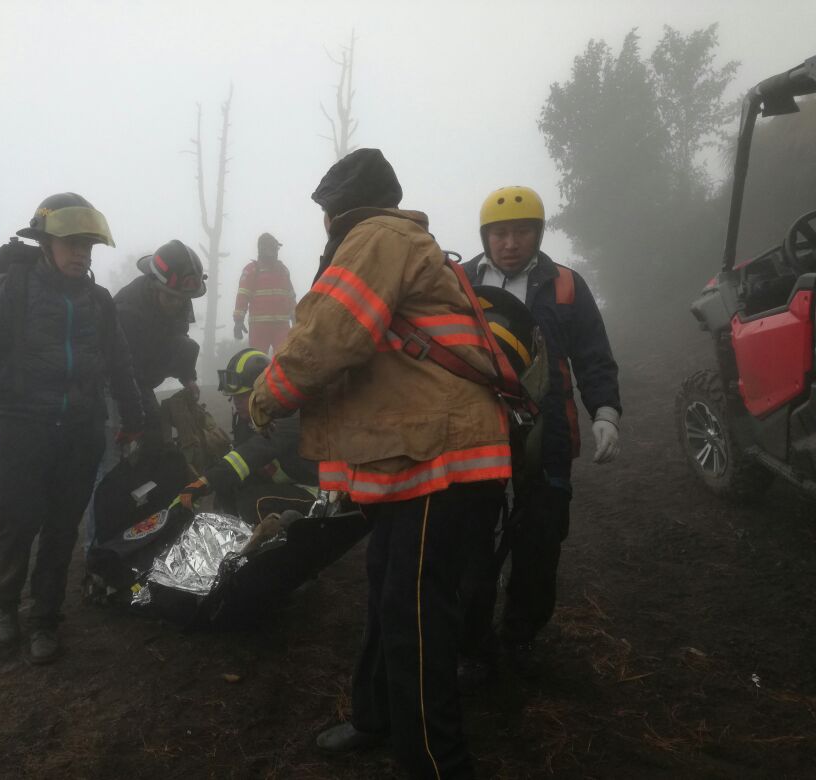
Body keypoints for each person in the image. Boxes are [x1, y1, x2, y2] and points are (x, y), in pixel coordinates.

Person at [247, 148, 509, 780]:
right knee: (388, 591)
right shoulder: (394, 236)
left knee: (416, 615)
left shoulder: (376, 237)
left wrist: (264, 397)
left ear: (339, 209)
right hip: (416, 459)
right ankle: (375, 716)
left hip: (441, 460)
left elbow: (332, 334)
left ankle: (437, 766)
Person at [0, 192, 145, 664]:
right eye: (71, 244)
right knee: (18, 523)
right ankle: (4, 604)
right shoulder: (12, 288)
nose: (81, 254)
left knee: (61, 529)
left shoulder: (98, 301)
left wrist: (134, 418)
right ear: (45, 244)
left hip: (80, 432)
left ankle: (44, 619)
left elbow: (120, 364)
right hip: (21, 428)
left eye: (88, 247)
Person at [459, 185, 621, 677]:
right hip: (475, 430)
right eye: (501, 233)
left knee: (540, 537)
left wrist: (606, 411)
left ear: (539, 233)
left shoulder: (567, 285)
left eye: (522, 232)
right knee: (469, 538)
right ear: (486, 236)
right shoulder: (457, 283)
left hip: (546, 433)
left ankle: (519, 635)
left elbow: (592, 353)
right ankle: (471, 641)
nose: (511, 243)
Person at [176, 347, 318, 522]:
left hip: (312, 488)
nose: (237, 403)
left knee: (253, 502)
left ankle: (270, 542)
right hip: (283, 484)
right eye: (233, 397)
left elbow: (252, 453)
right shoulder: (247, 420)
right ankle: (233, 537)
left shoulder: (288, 415)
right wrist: (208, 482)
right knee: (227, 486)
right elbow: (238, 462)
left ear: (264, 391)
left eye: (242, 396)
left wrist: (206, 480)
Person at [113, 239, 207, 444]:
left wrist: (187, 378)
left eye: (182, 299)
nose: (177, 304)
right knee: (130, 435)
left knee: (155, 437)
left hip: (144, 371)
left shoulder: (177, 301)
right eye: (171, 298)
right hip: (114, 381)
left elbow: (178, 342)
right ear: (154, 285)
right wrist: (137, 416)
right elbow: (123, 373)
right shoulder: (127, 314)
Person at [232, 232, 297, 353]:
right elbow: (242, 296)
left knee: (285, 361)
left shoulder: (283, 270)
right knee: (258, 362)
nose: (275, 252)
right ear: (262, 249)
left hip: (282, 327)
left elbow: (291, 297)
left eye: (276, 248)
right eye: (272, 248)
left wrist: (296, 319)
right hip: (259, 329)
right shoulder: (252, 270)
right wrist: (238, 320)